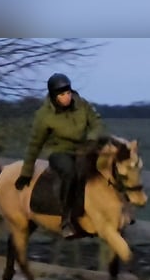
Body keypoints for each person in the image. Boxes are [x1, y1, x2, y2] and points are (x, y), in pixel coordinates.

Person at [15, 72, 105, 238]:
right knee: (70, 173)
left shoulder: (82, 104)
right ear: (54, 97)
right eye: (62, 95)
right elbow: (35, 144)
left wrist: (92, 139)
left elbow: (96, 122)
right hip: (59, 151)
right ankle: (66, 219)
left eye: (68, 93)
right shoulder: (44, 116)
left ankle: (115, 212)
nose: (67, 97)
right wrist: (26, 172)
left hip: (84, 148)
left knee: (108, 167)